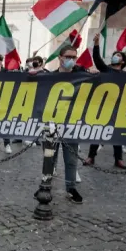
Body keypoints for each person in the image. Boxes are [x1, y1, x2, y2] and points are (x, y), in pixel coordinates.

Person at [84, 34, 126, 169]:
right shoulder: (106, 69)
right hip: (103, 106)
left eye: (119, 55)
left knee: (117, 134)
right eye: (115, 54)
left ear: (123, 61)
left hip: (117, 107)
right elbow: (97, 60)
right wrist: (97, 44)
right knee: (98, 132)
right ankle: (91, 157)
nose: (116, 56)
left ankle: (118, 159)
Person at [47, 45, 84, 203]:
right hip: (52, 123)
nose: (71, 60)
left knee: (71, 160)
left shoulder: (81, 76)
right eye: (68, 57)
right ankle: (45, 186)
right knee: (49, 158)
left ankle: (71, 188)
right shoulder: (49, 77)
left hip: (71, 124)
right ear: (60, 58)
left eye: (74, 57)